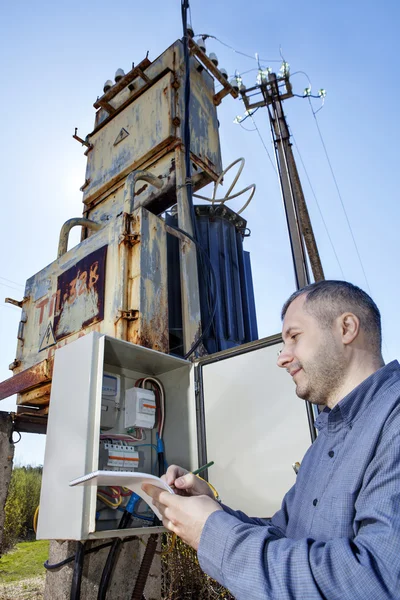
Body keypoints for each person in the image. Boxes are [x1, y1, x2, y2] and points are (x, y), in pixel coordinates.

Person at [143, 280, 400, 600]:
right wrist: (211, 508)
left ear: (346, 328)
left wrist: (213, 533)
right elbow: (282, 535)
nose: (282, 357)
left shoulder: (394, 423)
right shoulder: (321, 448)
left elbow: (376, 582)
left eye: (294, 337)